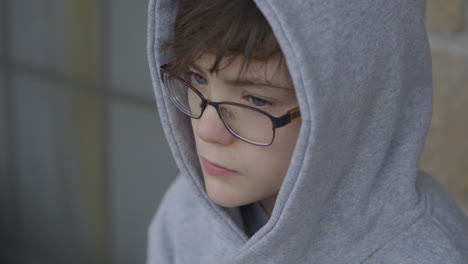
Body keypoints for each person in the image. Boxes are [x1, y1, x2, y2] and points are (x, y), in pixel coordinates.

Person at [146, 0, 468, 263]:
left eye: (257, 99)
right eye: (198, 78)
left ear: (350, 108)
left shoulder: (427, 253)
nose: (207, 129)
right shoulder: (185, 215)